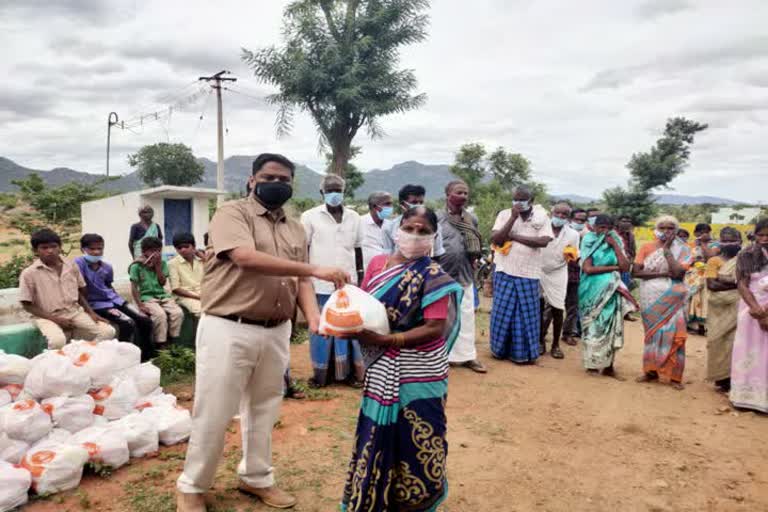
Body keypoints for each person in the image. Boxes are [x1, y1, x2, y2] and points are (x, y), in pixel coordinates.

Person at [176, 153, 349, 511]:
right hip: (229, 326)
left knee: (265, 408)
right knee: (215, 410)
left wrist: (314, 318)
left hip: (276, 329)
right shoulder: (232, 214)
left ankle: (256, 477)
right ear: (253, 180)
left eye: (284, 178)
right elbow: (245, 258)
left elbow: (299, 279)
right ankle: (192, 486)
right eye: (269, 177)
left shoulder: (295, 227)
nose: (277, 184)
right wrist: (315, 268)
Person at [340, 206, 462, 512]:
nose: (415, 236)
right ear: (397, 230)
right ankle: (372, 497)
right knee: (376, 431)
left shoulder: (434, 275)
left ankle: (414, 500)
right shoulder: (378, 265)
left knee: (417, 433)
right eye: (410, 228)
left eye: (423, 231)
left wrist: (387, 340)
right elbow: (365, 306)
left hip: (419, 370)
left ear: (434, 237)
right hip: (382, 366)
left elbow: (434, 328)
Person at [301, 174, 365, 388]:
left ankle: (348, 374)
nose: (334, 193)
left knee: (348, 328)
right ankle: (321, 375)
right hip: (319, 283)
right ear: (322, 193)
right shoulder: (309, 217)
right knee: (321, 329)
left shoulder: (354, 217)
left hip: (348, 284)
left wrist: (360, 277)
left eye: (337, 189)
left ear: (344, 191)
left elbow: (357, 249)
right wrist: (306, 277)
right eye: (329, 190)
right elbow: (304, 248)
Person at [19, 228, 115, 349]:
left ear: (60, 247)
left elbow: (80, 292)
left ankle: (83, 355)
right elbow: (27, 304)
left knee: (107, 332)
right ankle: (54, 365)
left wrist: (91, 313)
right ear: (35, 251)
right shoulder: (29, 273)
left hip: (73, 312)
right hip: (46, 316)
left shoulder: (71, 265)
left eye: (53, 246)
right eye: (44, 248)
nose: (50, 251)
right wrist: (56, 320)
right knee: (57, 341)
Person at [489, 186, 553, 364]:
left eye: (522, 199)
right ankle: (499, 350)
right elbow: (496, 239)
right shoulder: (504, 214)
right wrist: (512, 218)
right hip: (504, 270)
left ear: (531, 201)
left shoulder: (541, 217)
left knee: (526, 315)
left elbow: (543, 241)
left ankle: (522, 354)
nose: (517, 203)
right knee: (502, 313)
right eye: (515, 199)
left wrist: (514, 237)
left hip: (529, 273)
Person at [633, 216, 693, 390]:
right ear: (656, 229)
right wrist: (661, 275)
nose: (666, 231)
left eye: (670, 228)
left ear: (676, 230)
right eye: (662, 227)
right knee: (652, 335)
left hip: (673, 295)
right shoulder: (646, 247)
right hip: (650, 296)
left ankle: (675, 377)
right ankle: (650, 371)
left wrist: (667, 251)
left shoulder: (683, 249)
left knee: (675, 334)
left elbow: (677, 274)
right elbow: (636, 272)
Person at [75, 233, 155, 360]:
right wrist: (89, 312)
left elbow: (108, 285)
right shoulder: (77, 264)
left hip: (114, 299)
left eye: (100, 248)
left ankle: (146, 356)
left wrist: (122, 303)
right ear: (83, 249)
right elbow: (78, 291)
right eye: (92, 249)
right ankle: (122, 358)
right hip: (96, 303)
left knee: (145, 320)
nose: (96, 252)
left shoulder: (107, 267)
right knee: (127, 323)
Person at [438, 180, 487, 373]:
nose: (463, 197)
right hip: (442, 275)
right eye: (459, 192)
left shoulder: (471, 219)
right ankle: (441, 357)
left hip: (465, 274)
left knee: (466, 316)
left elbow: (475, 244)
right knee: (441, 317)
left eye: (466, 193)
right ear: (448, 194)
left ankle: (468, 356)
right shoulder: (437, 218)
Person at [579, 215, 637, 378]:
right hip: (592, 290)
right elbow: (588, 269)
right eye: (600, 227)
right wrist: (614, 267)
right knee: (593, 326)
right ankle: (592, 364)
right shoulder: (588, 240)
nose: (603, 231)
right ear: (594, 227)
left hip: (612, 290)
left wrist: (615, 246)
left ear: (612, 228)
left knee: (612, 326)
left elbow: (625, 267)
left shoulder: (616, 240)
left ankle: (609, 366)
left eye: (607, 228)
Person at [729, 219, 768, 413]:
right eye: (760, 235)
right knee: (749, 350)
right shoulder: (747, 254)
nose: (764, 239)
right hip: (750, 309)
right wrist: (756, 309)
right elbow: (742, 284)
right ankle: (746, 396)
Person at [539, 202, 581, 359]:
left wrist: (572, 257)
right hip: (538, 270)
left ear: (568, 218)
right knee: (539, 307)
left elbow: (574, 256)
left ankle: (555, 344)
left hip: (558, 272)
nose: (561, 217)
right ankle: (540, 340)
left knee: (557, 308)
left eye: (565, 215)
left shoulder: (573, 235)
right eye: (558, 213)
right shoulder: (541, 229)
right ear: (552, 213)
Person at [704, 227, 743, 393]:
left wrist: (723, 278)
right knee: (716, 340)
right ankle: (721, 377)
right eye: (724, 240)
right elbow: (711, 285)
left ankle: (734, 378)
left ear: (740, 241)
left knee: (735, 341)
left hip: (739, 307)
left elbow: (749, 282)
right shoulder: (713, 261)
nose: (728, 243)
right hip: (718, 308)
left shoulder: (745, 260)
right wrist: (736, 282)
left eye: (732, 240)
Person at [129, 237, 184, 348]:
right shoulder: (136, 266)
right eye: (153, 251)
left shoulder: (162, 263)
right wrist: (140, 305)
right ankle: (161, 343)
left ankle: (173, 340)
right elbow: (134, 288)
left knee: (178, 313)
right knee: (160, 315)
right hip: (147, 297)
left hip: (162, 296)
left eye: (159, 250)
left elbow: (163, 283)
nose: (156, 254)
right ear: (144, 251)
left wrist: (157, 267)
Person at [382, 184, 445, 258]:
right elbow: (387, 256)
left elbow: (437, 254)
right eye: (414, 202)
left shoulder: (434, 226)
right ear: (403, 204)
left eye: (421, 202)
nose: (419, 205)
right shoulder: (389, 227)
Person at [686, 223, 720, 336]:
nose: (703, 234)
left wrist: (703, 243)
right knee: (692, 300)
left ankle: (703, 327)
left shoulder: (715, 245)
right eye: (700, 232)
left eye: (706, 232)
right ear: (695, 233)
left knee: (704, 300)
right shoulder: (689, 245)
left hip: (708, 276)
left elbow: (710, 257)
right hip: (692, 277)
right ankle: (692, 325)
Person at [563, 208, 588, 345]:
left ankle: (567, 333)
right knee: (552, 306)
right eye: (577, 219)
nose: (579, 222)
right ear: (571, 219)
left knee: (572, 306)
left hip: (576, 275)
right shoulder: (563, 233)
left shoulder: (587, 236)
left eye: (582, 220)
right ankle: (542, 336)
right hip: (559, 273)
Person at [169, 232, 204, 317]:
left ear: (194, 246)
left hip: (203, 293)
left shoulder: (200, 260)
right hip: (185, 296)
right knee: (202, 311)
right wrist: (198, 297)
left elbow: (214, 269)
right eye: (179, 248)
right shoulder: (172, 263)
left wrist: (203, 256)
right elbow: (176, 289)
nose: (183, 250)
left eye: (186, 246)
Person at [360, 191, 394, 269]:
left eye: (391, 204)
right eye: (387, 204)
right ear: (374, 207)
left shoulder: (391, 225)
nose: (391, 207)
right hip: (367, 272)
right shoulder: (359, 223)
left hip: (387, 271)